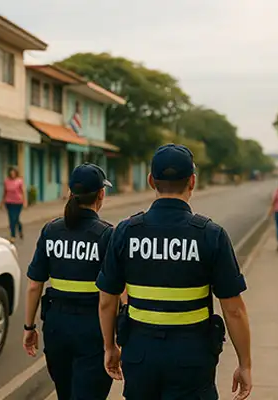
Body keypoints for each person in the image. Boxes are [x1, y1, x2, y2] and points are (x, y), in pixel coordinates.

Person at [96, 144, 252, 400]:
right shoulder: (211, 235)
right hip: (192, 360)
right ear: (192, 181)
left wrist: (109, 347)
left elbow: (106, 301)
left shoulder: (126, 231)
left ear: (150, 181)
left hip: (139, 356)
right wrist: (245, 364)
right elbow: (233, 309)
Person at [22, 163, 115, 400]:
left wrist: (29, 327)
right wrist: (114, 342)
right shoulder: (106, 235)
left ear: (70, 193)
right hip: (93, 330)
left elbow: (34, 284)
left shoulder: (51, 230)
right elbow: (117, 293)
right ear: (101, 194)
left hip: (56, 328)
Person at [2, 166, 26, 243]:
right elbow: (5, 192)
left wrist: (25, 201)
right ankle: (13, 235)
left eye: (14, 172)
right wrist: (2, 202)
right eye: (11, 172)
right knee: (11, 219)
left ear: (16, 173)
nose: (12, 174)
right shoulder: (6, 181)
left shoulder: (19, 181)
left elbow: (23, 191)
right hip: (9, 202)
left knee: (15, 218)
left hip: (18, 202)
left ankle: (19, 229)